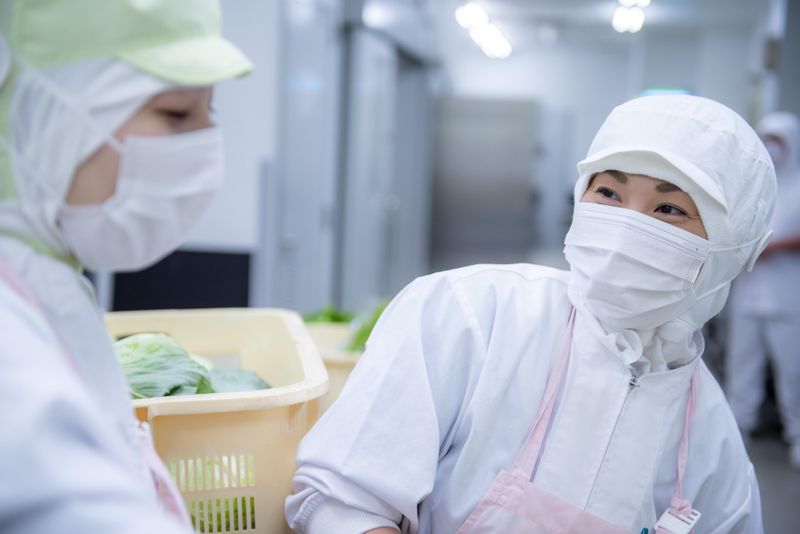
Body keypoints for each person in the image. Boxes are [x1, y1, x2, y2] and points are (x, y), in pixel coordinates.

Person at [285, 94, 774, 534]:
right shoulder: (469, 313)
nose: (626, 227)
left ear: (733, 249)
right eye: (608, 193)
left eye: (668, 209)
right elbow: (341, 500)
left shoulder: (711, 437)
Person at [0, 0, 251, 531]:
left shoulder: (43, 277)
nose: (206, 139)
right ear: (46, 116)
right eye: (177, 113)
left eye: (212, 109)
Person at [726, 111, 800, 468]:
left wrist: (776, 246)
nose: (772, 147)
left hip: (788, 297)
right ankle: (736, 431)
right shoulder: (753, 186)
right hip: (749, 293)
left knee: (792, 372)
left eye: (778, 140)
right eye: (766, 139)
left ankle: (796, 434)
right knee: (742, 368)